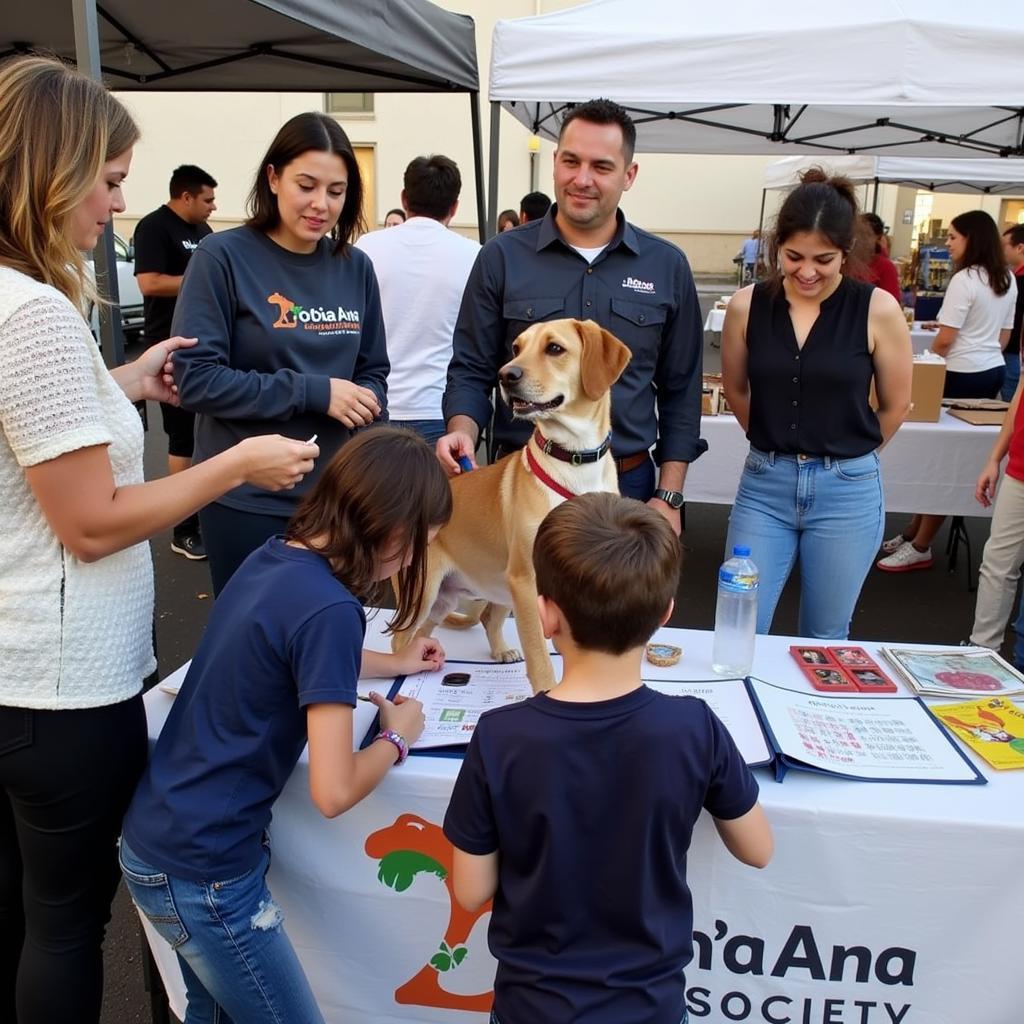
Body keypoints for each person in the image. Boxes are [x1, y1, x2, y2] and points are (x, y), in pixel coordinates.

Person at [0, 55, 315, 1024]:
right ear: (52, 172)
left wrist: (125, 382)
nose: (116, 201)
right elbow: (89, 522)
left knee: (27, 912)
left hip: (22, 675)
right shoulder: (37, 314)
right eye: (107, 177)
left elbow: (34, 448)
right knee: (66, 921)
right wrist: (231, 465)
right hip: (66, 686)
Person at [120, 427, 450, 1024]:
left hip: (160, 843)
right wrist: (397, 735)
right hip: (208, 876)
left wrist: (396, 661)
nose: (407, 566)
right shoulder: (332, 610)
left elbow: (297, 647)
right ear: (391, 529)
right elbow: (334, 789)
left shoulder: (277, 556)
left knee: (212, 1013)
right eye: (414, 550)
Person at [444, 492, 773, 1024]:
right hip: (650, 1007)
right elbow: (757, 849)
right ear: (665, 615)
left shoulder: (501, 735)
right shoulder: (694, 728)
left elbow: (470, 888)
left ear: (545, 614)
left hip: (533, 1007)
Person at [439, 98, 706, 533]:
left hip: (628, 480)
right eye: (570, 161)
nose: (582, 179)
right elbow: (471, 367)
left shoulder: (666, 267)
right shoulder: (502, 257)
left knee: (620, 604)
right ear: (555, 164)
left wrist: (670, 494)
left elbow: (682, 389)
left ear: (629, 175)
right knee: (519, 600)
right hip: (526, 476)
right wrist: (463, 431)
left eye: (601, 166)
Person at [172, 111, 389, 596]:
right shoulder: (222, 258)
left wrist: (369, 400)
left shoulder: (356, 268)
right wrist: (315, 392)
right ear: (273, 177)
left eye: (336, 192)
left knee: (334, 640)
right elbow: (196, 379)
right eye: (306, 185)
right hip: (247, 500)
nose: (321, 205)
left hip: (339, 499)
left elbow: (373, 369)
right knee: (258, 646)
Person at [721, 168, 912, 637]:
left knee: (825, 637)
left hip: (847, 490)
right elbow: (737, 389)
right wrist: (773, 442)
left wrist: (848, 457)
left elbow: (896, 404)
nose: (807, 271)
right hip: (765, 484)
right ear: (775, 247)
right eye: (793, 257)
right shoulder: (747, 305)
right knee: (738, 625)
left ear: (847, 253)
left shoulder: (877, 308)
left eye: (823, 259)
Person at [878, 210, 1017, 572]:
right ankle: (914, 531)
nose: (949, 243)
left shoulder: (965, 279)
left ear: (971, 239)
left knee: (938, 453)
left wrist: (918, 366)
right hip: (991, 370)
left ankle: (922, 542)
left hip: (958, 372)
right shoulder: (1005, 278)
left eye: (954, 237)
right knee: (950, 451)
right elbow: (1003, 339)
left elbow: (946, 339)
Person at [356, 155, 479, 445]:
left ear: (404, 198)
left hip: (372, 405)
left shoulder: (366, 248)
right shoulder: (474, 255)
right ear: (455, 207)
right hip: (441, 411)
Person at [133, 163, 218, 560]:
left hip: (207, 352)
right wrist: (202, 278)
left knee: (210, 435)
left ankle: (207, 512)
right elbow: (148, 283)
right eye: (208, 199)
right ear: (186, 196)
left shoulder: (204, 233)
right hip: (167, 349)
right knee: (182, 439)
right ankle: (184, 527)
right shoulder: (153, 227)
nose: (213, 207)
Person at [969, 372, 1024, 667]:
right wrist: (995, 458)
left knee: (998, 565)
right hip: (1019, 469)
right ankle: (981, 652)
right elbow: (1019, 397)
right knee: (996, 563)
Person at [1000, 224, 1024, 401]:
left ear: (1020, 247)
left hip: (1013, 352)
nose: (1002, 251)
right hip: (1013, 352)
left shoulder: (1019, 281)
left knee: (1010, 407)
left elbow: (1015, 319)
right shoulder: (1014, 278)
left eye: (1005, 246)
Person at [857, 213, 902, 303]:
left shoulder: (886, 267)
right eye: (857, 234)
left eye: (867, 235)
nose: (860, 239)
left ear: (878, 238)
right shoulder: (846, 262)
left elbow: (891, 305)